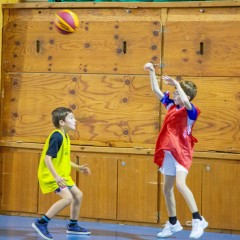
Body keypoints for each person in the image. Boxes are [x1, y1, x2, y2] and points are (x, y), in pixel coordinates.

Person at [144, 63, 208, 239]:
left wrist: (177, 83)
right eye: (175, 92)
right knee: (167, 188)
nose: (174, 94)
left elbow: (187, 102)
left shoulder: (191, 112)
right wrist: (152, 71)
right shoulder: (171, 106)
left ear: (185, 95)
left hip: (183, 152)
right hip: (169, 151)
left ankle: (198, 219)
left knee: (181, 184)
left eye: (177, 93)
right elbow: (156, 90)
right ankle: (173, 223)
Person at [32, 107, 91, 240]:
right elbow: (48, 159)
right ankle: (41, 223)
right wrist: (56, 177)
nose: (75, 120)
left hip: (62, 175)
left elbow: (64, 159)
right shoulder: (56, 136)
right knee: (68, 198)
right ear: (62, 122)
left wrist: (78, 168)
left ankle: (73, 225)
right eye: (71, 117)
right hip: (52, 175)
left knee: (78, 195)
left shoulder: (65, 137)